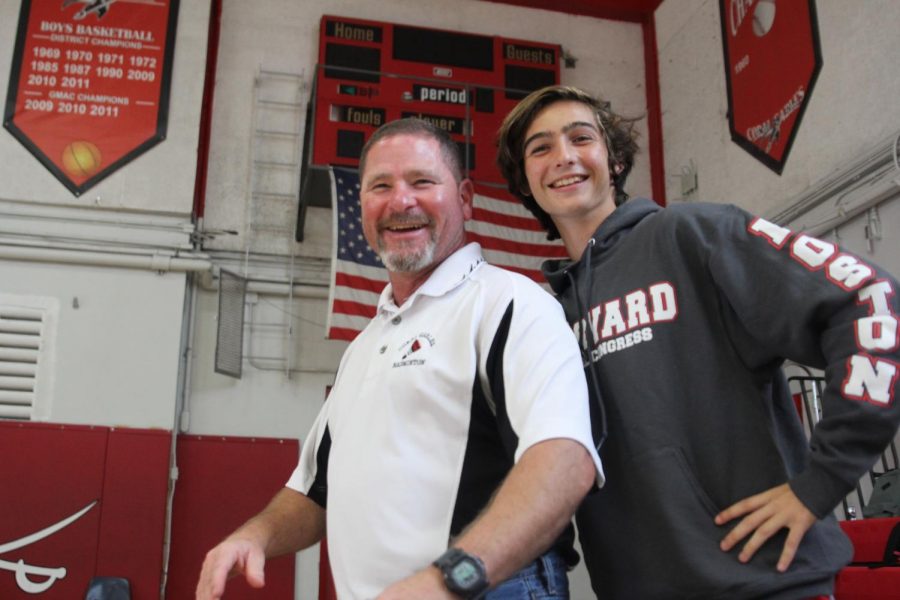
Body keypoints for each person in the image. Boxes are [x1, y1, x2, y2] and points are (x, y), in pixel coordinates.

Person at [496, 85, 900, 599]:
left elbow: (870, 298)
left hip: (767, 584)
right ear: (525, 180)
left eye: (581, 137)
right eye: (540, 148)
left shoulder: (693, 234)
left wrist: (821, 481)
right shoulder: (544, 315)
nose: (565, 157)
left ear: (615, 160)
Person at [195, 117, 605, 600]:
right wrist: (255, 535)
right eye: (380, 186)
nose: (400, 201)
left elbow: (566, 461)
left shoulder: (510, 303)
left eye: (422, 182)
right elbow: (314, 492)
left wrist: (449, 580)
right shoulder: (363, 346)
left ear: (465, 198)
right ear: (363, 205)